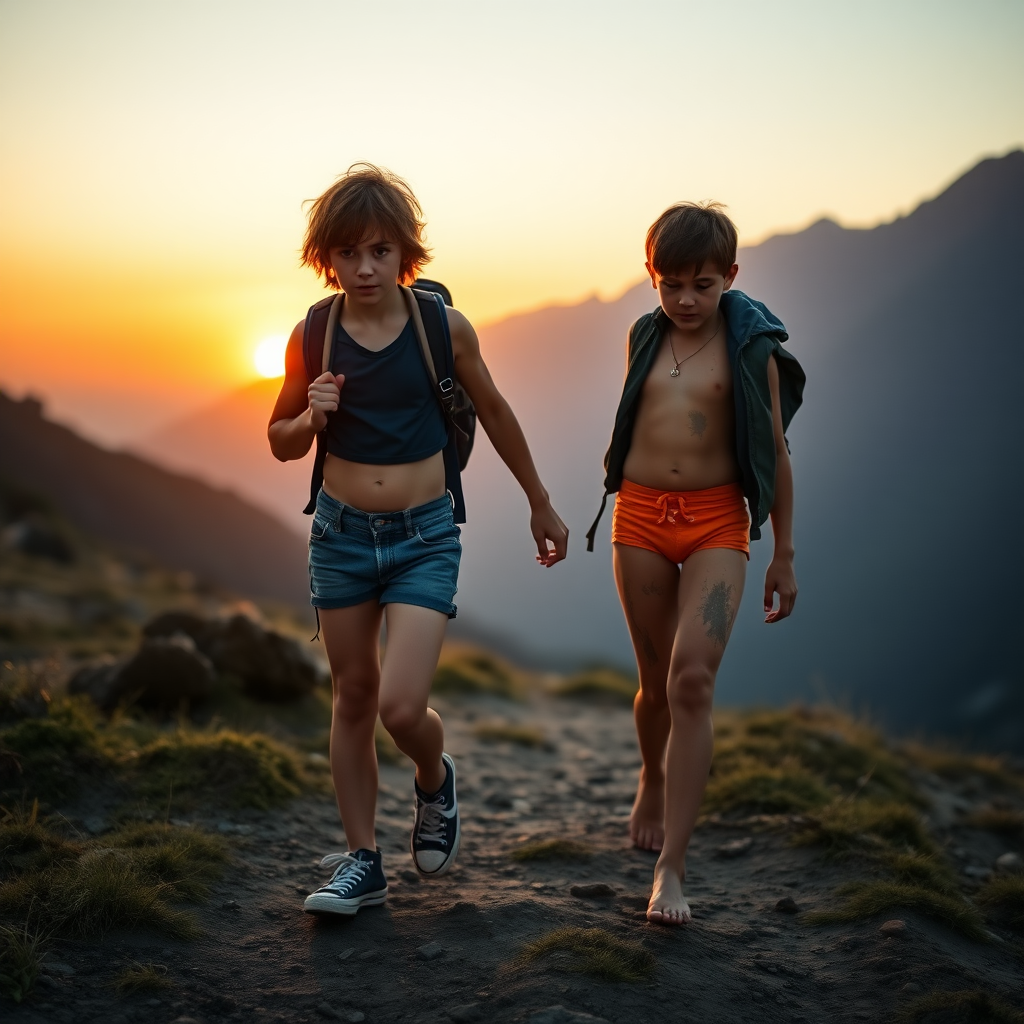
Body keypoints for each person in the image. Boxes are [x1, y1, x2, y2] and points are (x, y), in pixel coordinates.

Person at [269, 164, 568, 916]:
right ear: (326, 260)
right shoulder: (313, 333)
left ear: (407, 252)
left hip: (425, 537)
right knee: (353, 698)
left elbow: (495, 411)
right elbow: (278, 440)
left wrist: (541, 502)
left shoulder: (442, 328)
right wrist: (311, 416)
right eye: (347, 253)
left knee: (402, 709)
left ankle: (434, 779)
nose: (364, 267)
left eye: (379, 250)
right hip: (339, 535)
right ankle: (362, 861)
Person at [585, 202, 805, 925]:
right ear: (651, 277)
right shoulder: (642, 335)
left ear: (730, 278)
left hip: (717, 522)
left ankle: (670, 869)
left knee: (692, 680)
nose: (685, 300)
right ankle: (651, 774)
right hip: (641, 518)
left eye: (702, 285)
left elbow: (774, 452)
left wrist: (784, 554)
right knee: (653, 683)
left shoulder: (753, 350)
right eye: (670, 283)